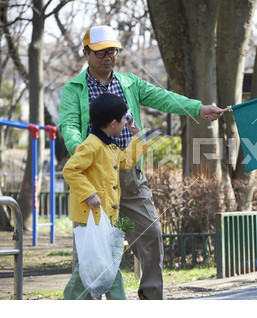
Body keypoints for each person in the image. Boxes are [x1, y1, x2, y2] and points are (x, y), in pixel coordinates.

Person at [58, 25, 223, 300]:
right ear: (86, 53)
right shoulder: (73, 89)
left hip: (130, 175)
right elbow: (68, 125)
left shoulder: (130, 82)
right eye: (100, 53)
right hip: (95, 178)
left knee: (150, 235)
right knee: (92, 249)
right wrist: (81, 149)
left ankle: (151, 299)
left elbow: (163, 98)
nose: (108, 57)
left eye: (112, 51)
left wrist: (198, 108)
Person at [62, 93, 148, 300]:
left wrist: (138, 136)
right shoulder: (91, 146)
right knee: (94, 266)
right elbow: (70, 170)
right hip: (89, 217)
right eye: (123, 119)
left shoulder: (109, 146)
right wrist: (89, 193)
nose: (125, 123)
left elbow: (127, 161)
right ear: (113, 123)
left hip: (105, 217)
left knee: (107, 264)